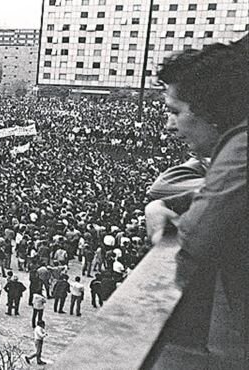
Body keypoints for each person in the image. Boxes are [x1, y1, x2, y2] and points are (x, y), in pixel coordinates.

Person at [145, 39, 248, 360]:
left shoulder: (242, 147)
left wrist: (157, 213)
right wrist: (168, 205)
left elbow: (194, 240)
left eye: (175, 111)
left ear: (211, 108)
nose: (168, 125)